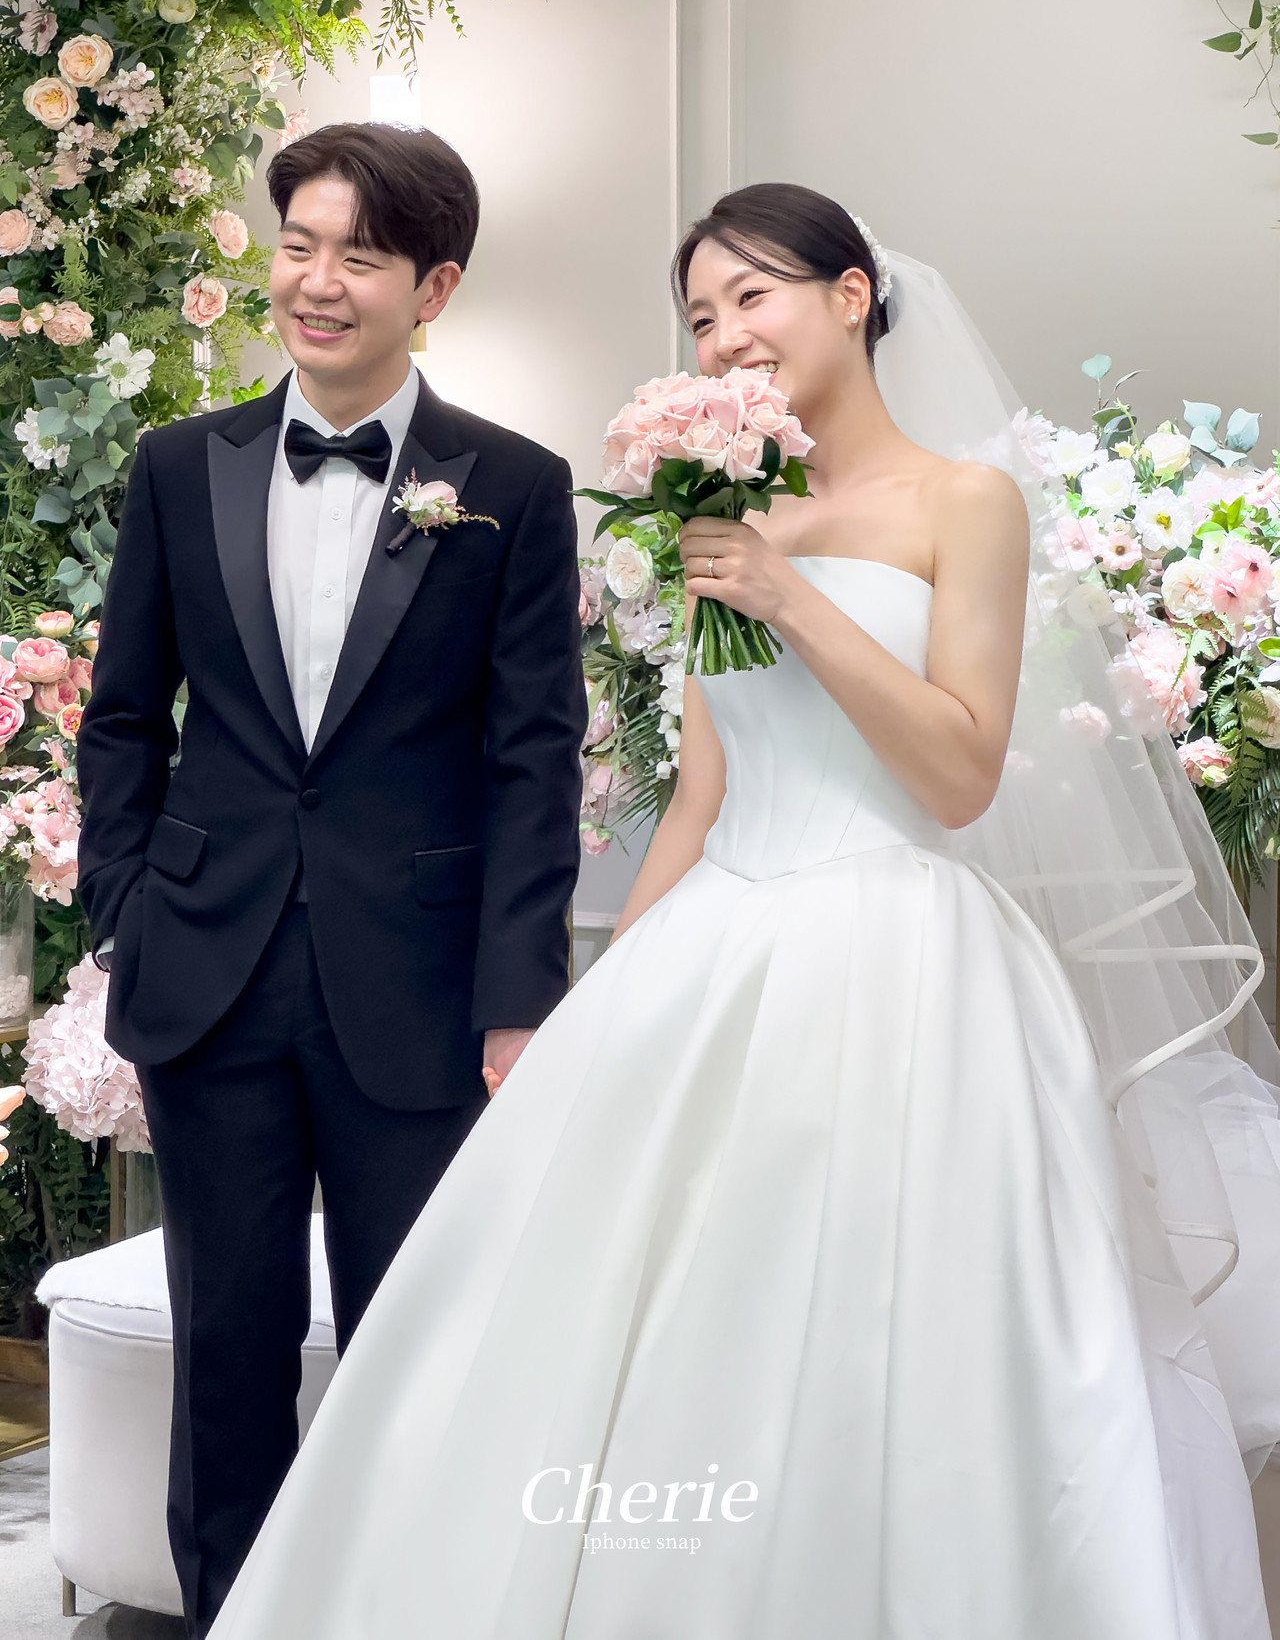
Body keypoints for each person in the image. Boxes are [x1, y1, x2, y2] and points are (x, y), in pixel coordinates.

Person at [208, 185, 1280, 1639]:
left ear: (853, 294)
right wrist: (598, 1009)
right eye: (700, 317)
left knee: (888, 1345)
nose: (723, 338)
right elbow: (702, 798)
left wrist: (792, 598)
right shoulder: (721, 515)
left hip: (904, 970)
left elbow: (961, 774)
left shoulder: (964, 502)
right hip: (716, 948)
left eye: (751, 297)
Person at [75, 122, 586, 1639]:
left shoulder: (514, 486)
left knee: (412, 1348)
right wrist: (128, 911)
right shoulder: (182, 465)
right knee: (225, 1350)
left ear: (434, 285)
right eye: (297, 244)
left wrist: (517, 999)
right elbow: (122, 717)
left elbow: (533, 757)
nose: (317, 280)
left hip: (418, 991)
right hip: (209, 974)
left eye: (359, 255)